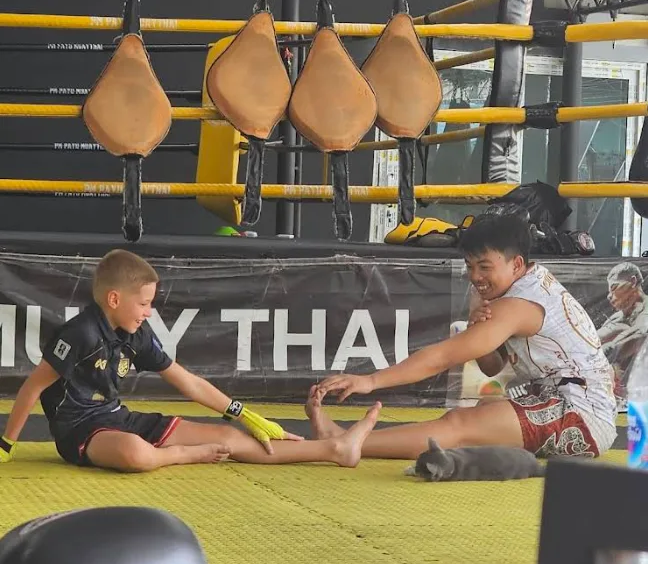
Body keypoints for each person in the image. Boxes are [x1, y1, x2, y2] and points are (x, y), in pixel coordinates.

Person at [0, 250, 380, 472]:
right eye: (144, 303)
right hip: (81, 433)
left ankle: (334, 450)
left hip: (118, 418)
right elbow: (33, 387)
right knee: (135, 454)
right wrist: (6, 444)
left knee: (231, 438)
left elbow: (188, 382)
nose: (149, 312)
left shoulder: (137, 335)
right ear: (114, 299)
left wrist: (245, 415)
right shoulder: (80, 333)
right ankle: (182, 456)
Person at [308, 213, 618, 460]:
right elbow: (492, 366)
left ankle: (347, 442)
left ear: (516, 264)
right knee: (474, 413)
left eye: (484, 267)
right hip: (569, 404)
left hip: (583, 418)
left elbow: (443, 357)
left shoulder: (518, 304)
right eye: (470, 266)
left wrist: (370, 381)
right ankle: (345, 438)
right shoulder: (524, 282)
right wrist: (474, 323)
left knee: (458, 425)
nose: (475, 277)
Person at [597, 262, 648, 411]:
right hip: (612, 397)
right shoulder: (616, 320)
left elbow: (641, 334)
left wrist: (610, 349)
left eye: (614, 287)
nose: (609, 296)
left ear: (633, 281)